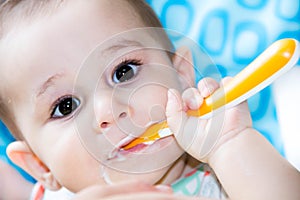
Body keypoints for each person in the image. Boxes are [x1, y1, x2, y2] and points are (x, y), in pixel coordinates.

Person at [0, 0, 299, 199]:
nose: (109, 110)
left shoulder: (225, 181)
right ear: (40, 166)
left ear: (182, 76)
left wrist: (230, 145)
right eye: (66, 106)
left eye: (124, 72)